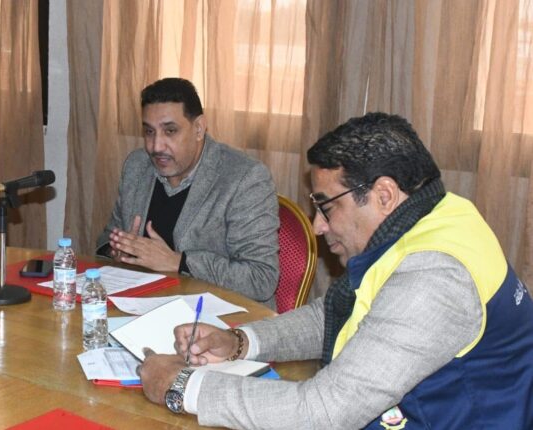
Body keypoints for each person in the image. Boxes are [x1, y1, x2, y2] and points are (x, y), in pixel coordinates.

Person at [139, 112, 533, 429]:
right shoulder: (439, 214)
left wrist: (183, 386)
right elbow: (338, 314)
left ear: (384, 195)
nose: (317, 226)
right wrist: (240, 342)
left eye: (327, 207)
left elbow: (325, 412)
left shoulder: (433, 279)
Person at [96, 78, 280, 308]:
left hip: (219, 317)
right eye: (149, 132)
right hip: (144, 307)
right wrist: (116, 250)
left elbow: (261, 278)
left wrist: (179, 262)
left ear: (199, 128)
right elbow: (106, 239)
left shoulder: (245, 178)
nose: (156, 146)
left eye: (170, 131)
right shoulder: (137, 166)